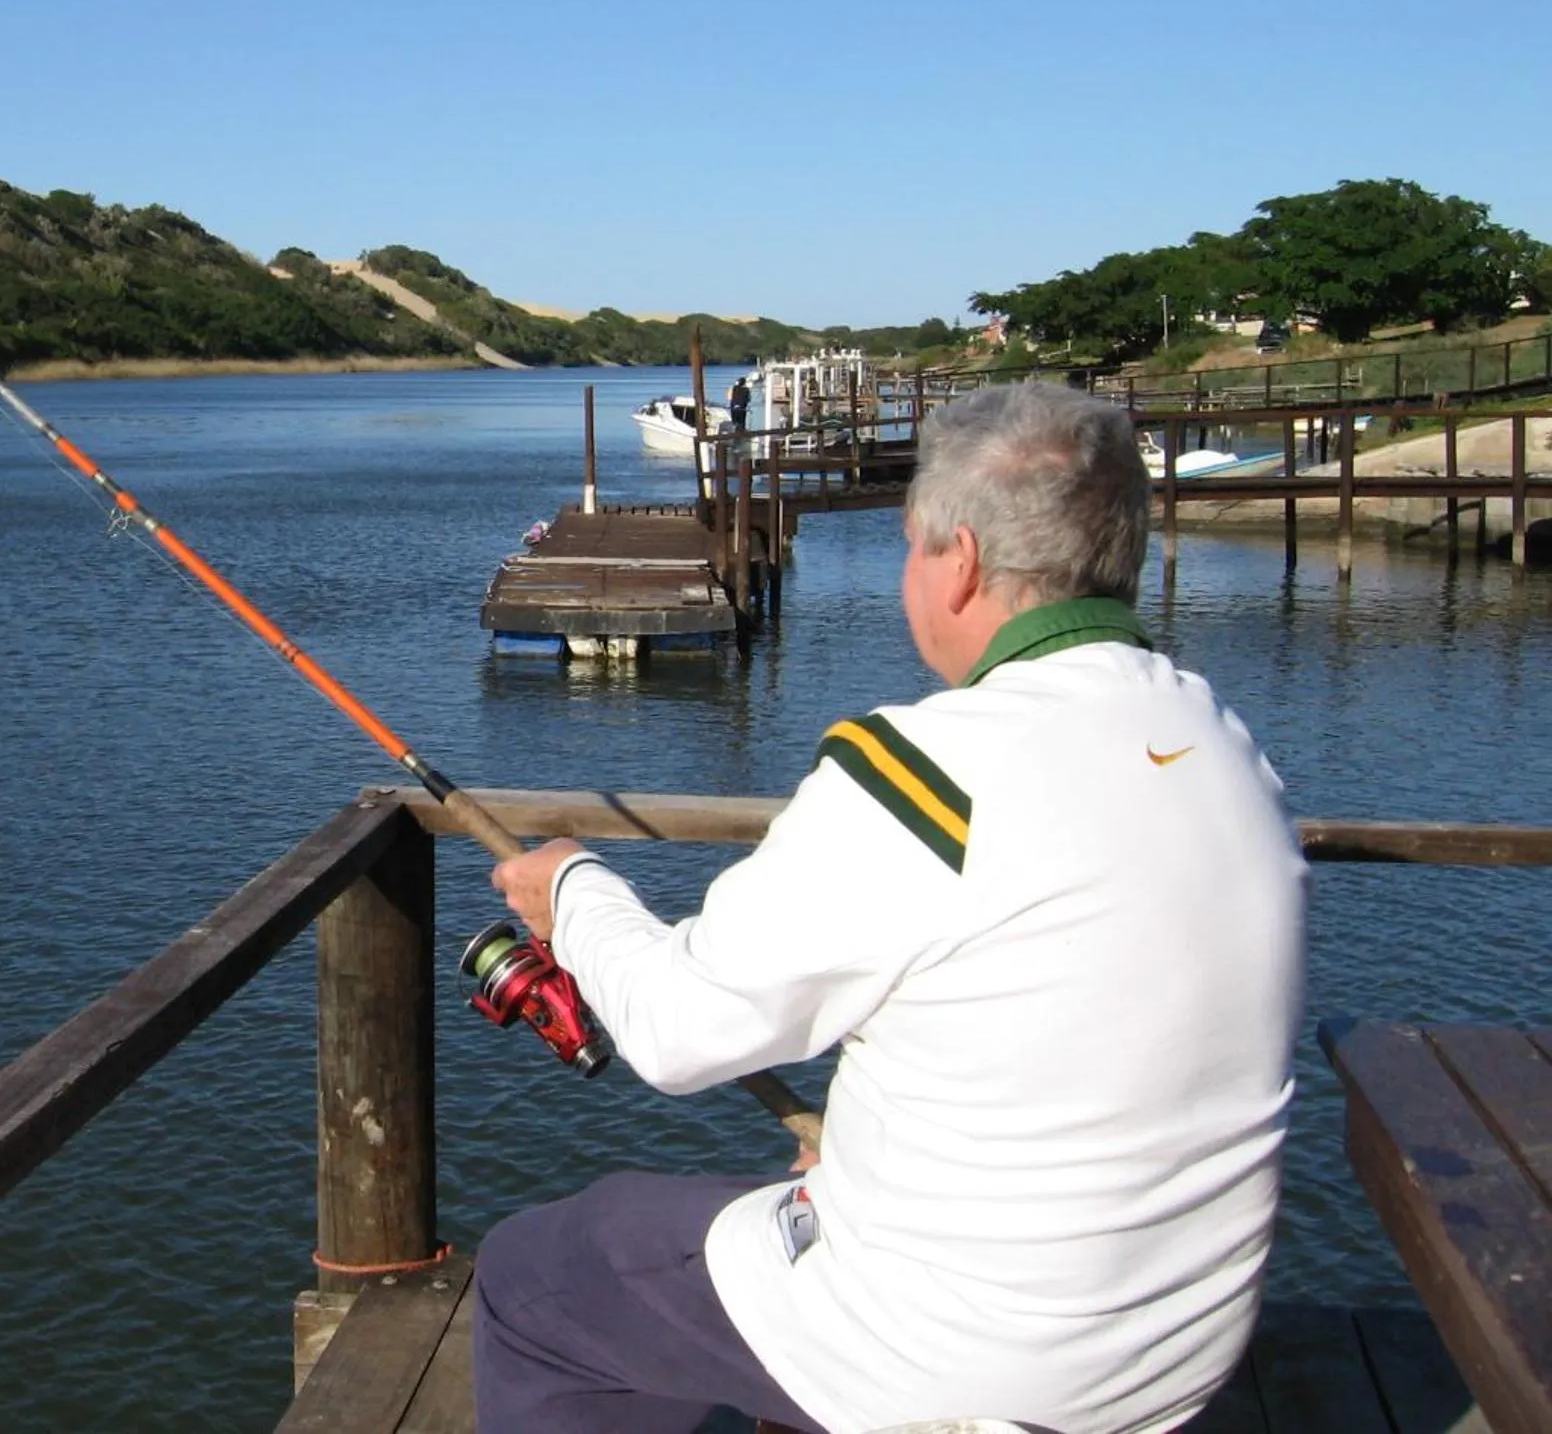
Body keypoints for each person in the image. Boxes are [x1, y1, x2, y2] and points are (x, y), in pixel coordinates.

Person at [476, 381, 1306, 1434]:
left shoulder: (928, 775)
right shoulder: (1221, 748)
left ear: (957, 562)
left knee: (536, 1277)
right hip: (1170, 1357)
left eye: (913, 545)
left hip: (976, 1365)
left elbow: (682, 1033)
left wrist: (572, 890)